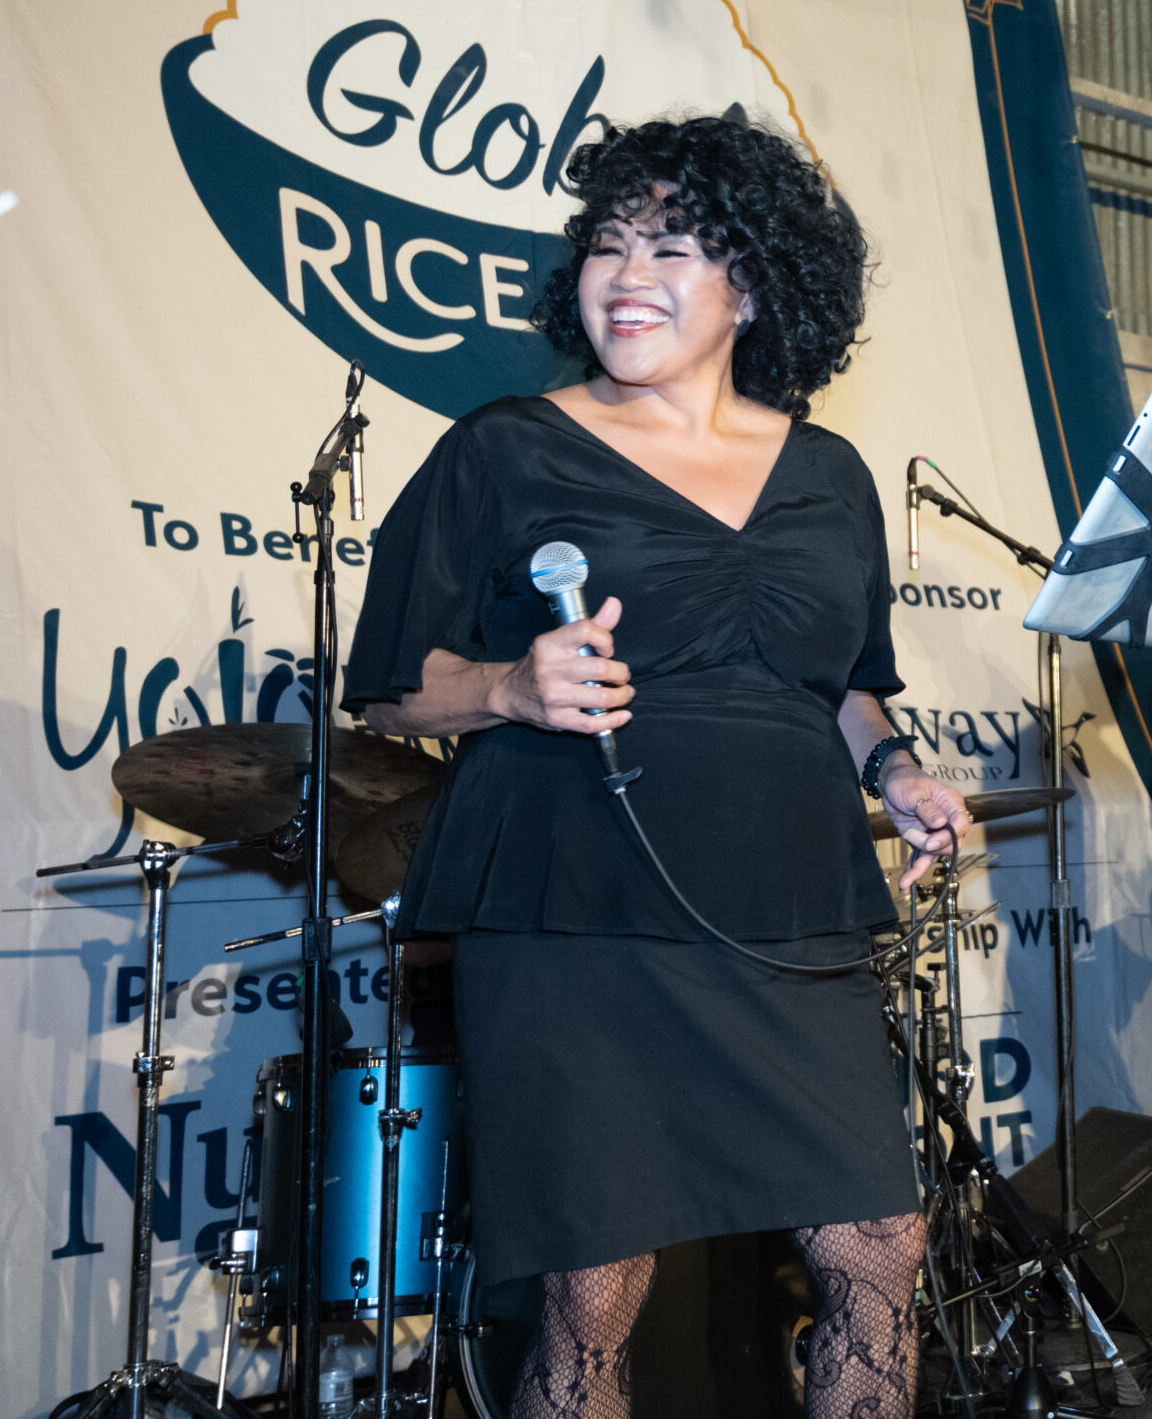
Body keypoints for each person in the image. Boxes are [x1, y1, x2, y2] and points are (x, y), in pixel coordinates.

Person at [343, 112, 970, 1419]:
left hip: (789, 901)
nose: (627, 272)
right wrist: (512, 685)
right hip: (579, 898)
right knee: (593, 1293)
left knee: (878, 1246)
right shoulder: (505, 447)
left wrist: (897, 769)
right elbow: (396, 681)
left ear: (754, 281)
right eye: (608, 243)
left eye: (671, 244)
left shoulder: (830, 473)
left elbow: (845, 685)